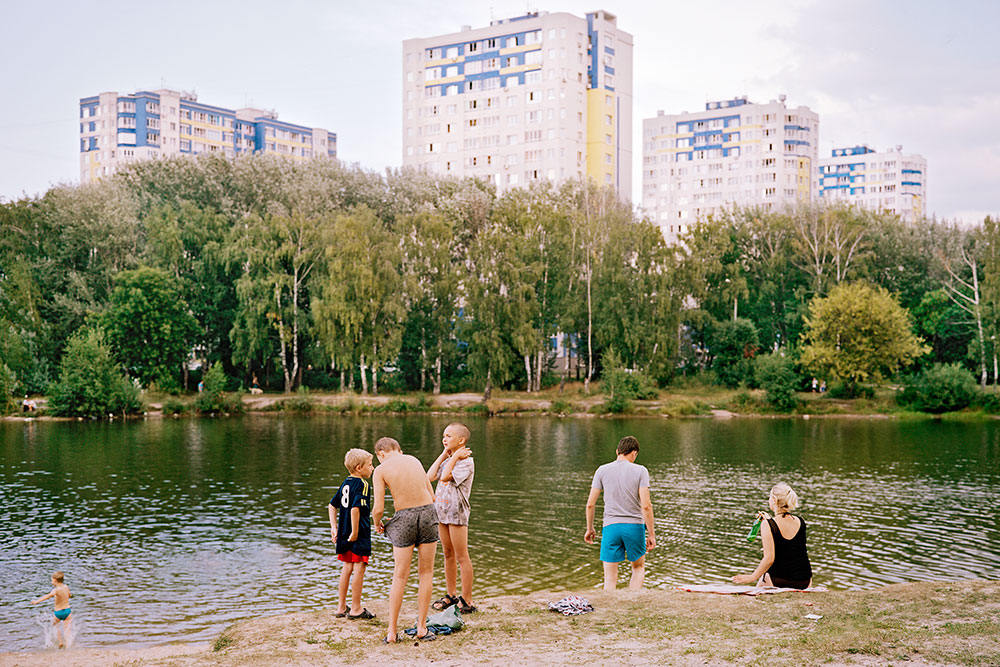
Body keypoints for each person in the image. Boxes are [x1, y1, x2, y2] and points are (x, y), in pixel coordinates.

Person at [372, 437, 439, 643]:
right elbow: (432, 497)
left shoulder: (380, 470)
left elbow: (379, 509)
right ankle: (421, 628)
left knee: (400, 576)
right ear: (399, 450)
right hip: (428, 514)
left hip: (405, 518)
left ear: (381, 454)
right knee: (426, 572)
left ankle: (392, 633)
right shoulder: (415, 460)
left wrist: (378, 524)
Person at [584, 435, 656, 591]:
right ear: (634, 453)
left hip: (611, 527)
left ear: (617, 451)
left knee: (609, 577)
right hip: (634, 527)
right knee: (638, 567)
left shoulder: (602, 470)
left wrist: (590, 528)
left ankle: (610, 607)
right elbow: (646, 506)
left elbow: (590, 504)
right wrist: (651, 534)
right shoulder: (641, 471)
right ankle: (632, 600)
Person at [427, 423, 476, 614]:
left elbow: (446, 477)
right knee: (448, 554)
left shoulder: (466, 461)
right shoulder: (451, 459)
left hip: (457, 513)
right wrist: (444, 455)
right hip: (442, 512)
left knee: (462, 556)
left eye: (448, 436)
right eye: (443, 435)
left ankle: (467, 599)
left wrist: (454, 456)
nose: (444, 439)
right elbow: (429, 476)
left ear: (461, 440)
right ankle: (451, 594)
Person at [732, 482, 813, 589]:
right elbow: (788, 544)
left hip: (779, 580)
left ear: (774, 500)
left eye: (770, 498)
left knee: (761, 584)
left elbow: (769, 559)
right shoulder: (800, 521)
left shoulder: (768, 525)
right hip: (805, 580)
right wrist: (770, 521)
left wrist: (752, 577)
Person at [330, 448, 376, 620]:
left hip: (343, 532)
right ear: (359, 468)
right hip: (359, 533)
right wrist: (356, 532)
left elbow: (331, 505)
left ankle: (341, 607)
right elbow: (356, 509)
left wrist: (334, 528)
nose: (372, 468)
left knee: (347, 567)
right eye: (370, 465)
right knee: (359, 568)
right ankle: (356, 608)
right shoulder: (363, 484)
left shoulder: (345, 483)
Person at [31, 571, 72, 648]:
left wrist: (36, 602)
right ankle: (67, 645)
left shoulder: (56, 590)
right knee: (67, 630)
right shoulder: (66, 587)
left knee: (55, 626)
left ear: (55, 580)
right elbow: (69, 595)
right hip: (67, 611)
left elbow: (47, 596)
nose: (51, 581)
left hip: (58, 612)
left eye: (51, 580)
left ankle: (60, 642)